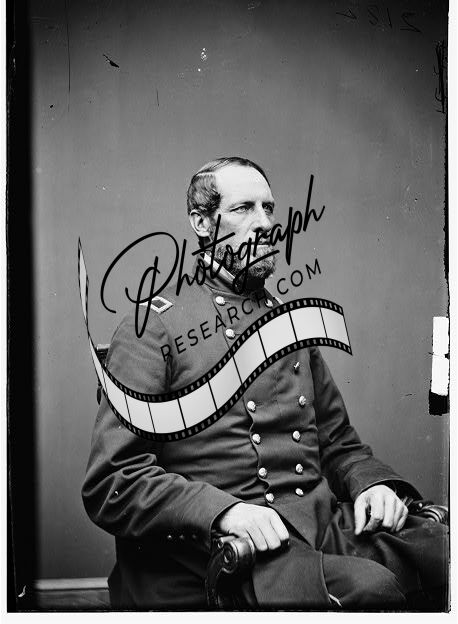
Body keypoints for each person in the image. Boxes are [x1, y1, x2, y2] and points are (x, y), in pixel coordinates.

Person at [82, 157, 448, 610]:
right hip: (231, 552)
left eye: (269, 208)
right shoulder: (153, 327)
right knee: (370, 589)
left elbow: (338, 442)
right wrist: (224, 512)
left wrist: (371, 485)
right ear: (201, 223)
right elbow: (113, 481)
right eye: (243, 209)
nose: (264, 224)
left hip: (318, 526)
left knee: (444, 554)